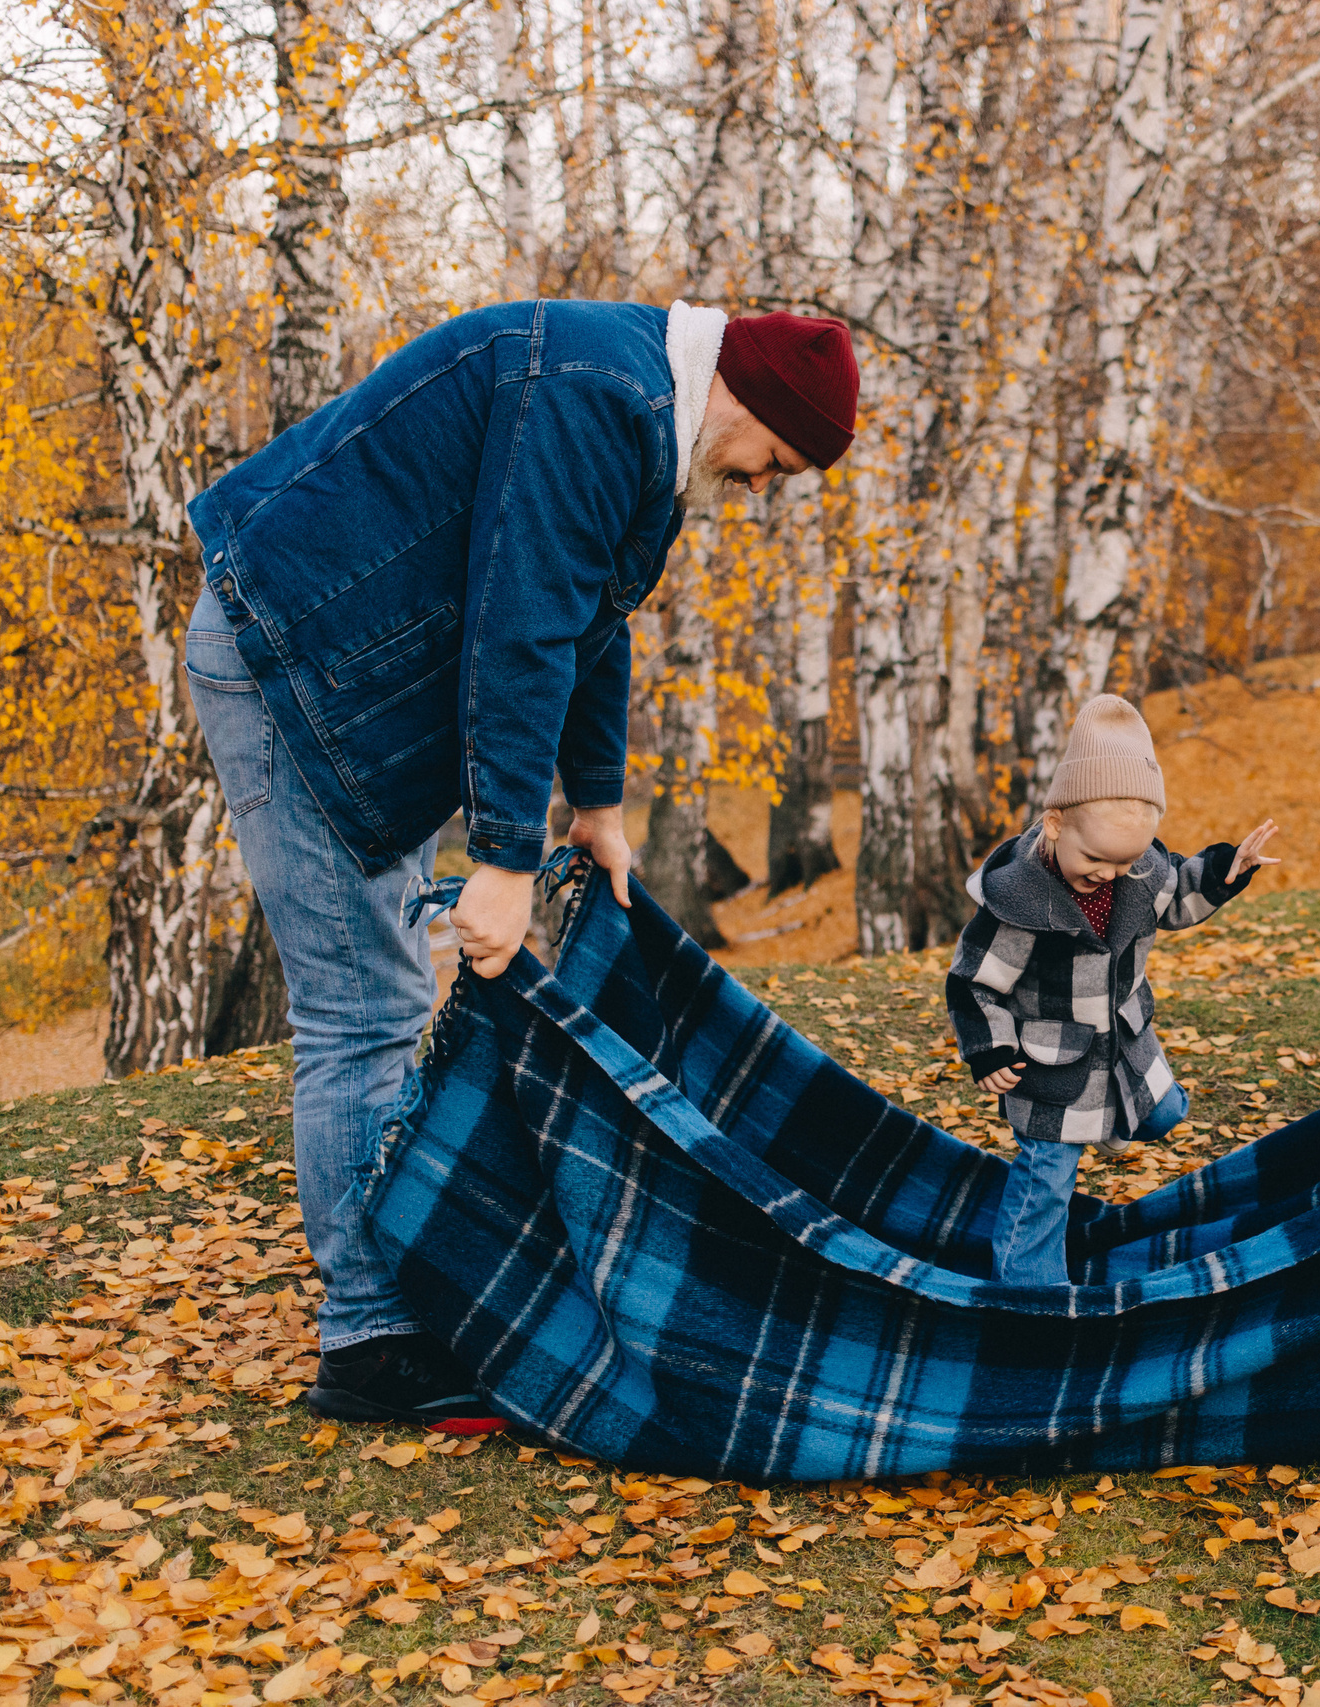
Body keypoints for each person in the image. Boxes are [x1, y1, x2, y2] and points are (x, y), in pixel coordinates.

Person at [181, 300, 859, 1425]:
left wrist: (594, 802)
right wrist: (501, 854)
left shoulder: (644, 411)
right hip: (291, 663)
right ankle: (370, 1343)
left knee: (384, 994)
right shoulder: (602, 396)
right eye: (774, 463)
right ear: (749, 403)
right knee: (365, 1006)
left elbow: (594, 614)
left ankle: (399, 1290)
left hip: (357, 681)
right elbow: (521, 620)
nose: (758, 487)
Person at [946, 696, 1282, 1285]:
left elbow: (1177, 893)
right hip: (1049, 1062)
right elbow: (975, 981)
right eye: (1097, 859)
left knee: (1163, 1114)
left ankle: (1111, 1122)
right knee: (1047, 1175)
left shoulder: (1137, 870)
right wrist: (990, 1048)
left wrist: (1227, 870)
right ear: (1055, 824)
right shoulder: (1021, 904)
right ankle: (1032, 1290)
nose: (1110, 875)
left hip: (1124, 1042)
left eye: (1126, 863)